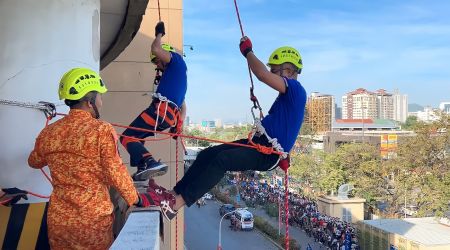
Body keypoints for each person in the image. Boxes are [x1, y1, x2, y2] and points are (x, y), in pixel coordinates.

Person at [140, 36, 307, 220]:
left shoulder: (296, 89)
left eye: (275, 71)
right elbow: (288, 126)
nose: (271, 73)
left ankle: (176, 204)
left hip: (268, 152)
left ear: (289, 71)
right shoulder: (288, 96)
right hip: (263, 146)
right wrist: (286, 152)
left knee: (222, 160)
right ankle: (173, 194)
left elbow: (261, 75)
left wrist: (248, 52)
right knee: (207, 154)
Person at [27, 68, 154, 249]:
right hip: (92, 223)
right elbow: (115, 172)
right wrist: (136, 199)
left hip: (59, 222)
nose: (101, 102)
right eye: (100, 97)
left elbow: (34, 161)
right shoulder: (101, 131)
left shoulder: (49, 133)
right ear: (89, 102)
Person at [120, 21, 187, 181]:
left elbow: (156, 48)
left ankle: (149, 162)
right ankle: (143, 167)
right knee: (137, 137)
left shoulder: (176, 61)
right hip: (167, 116)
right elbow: (183, 106)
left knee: (126, 137)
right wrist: (178, 125)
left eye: (157, 61)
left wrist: (159, 34)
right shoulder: (177, 78)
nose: (157, 65)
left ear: (167, 54)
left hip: (160, 112)